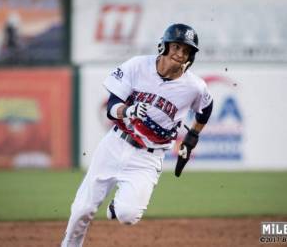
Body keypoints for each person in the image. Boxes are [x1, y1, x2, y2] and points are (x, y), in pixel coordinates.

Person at [61, 23, 213, 247]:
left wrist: (192, 138)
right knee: (83, 208)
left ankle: (116, 207)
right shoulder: (137, 66)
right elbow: (112, 107)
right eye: (177, 47)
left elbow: (206, 109)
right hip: (116, 143)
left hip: (148, 157)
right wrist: (128, 111)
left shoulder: (195, 87)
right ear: (164, 46)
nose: (181, 53)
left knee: (128, 215)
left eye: (187, 50)